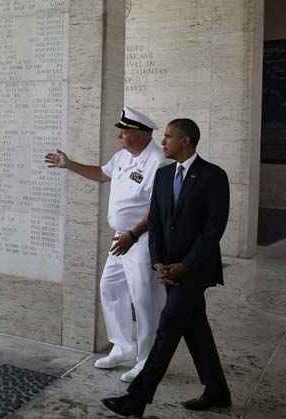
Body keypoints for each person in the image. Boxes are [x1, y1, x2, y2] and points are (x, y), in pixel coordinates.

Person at [102, 118, 232, 417]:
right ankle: (217, 391)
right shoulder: (163, 176)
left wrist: (184, 266)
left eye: (169, 137)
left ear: (185, 141)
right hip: (167, 268)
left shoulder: (213, 176)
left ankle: (137, 399)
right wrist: (158, 261)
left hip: (193, 270)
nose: (163, 143)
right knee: (196, 330)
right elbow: (158, 224)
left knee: (168, 330)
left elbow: (213, 232)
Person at [45, 107, 167, 383]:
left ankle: (148, 360)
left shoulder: (158, 162)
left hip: (142, 240)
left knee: (144, 300)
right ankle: (123, 348)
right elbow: (101, 174)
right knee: (110, 289)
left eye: (124, 133)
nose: (120, 137)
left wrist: (133, 235)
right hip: (121, 237)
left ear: (139, 134)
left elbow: (159, 209)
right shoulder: (123, 156)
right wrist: (69, 164)